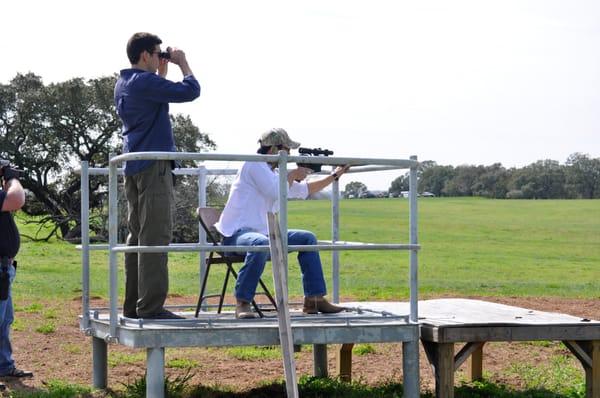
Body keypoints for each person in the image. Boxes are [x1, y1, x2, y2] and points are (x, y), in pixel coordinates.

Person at [215, 128, 350, 319]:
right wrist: (292, 175)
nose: (290, 154)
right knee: (261, 244)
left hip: (263, 233)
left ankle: (314, 299)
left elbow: (304, 190)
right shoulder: (253, 164)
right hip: (237, 235)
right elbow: (275, 191)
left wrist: (335, 176)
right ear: (273, 150)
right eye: (287, 150)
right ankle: (243, 303)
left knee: (307, 238)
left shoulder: (274, 171)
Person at [114, 32, 200, 319]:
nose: (160, 56)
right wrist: (183, 63)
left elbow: (153, 100)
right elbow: (191, 91)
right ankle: (150, 307)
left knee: (137, 237)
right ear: (144, 55)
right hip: (154, 168)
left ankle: (133, 306)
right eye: (157, 52)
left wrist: (161, 73)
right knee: (155, 237)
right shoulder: (144, 82)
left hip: (135, 167)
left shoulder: (124, 82)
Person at [0, 162, 33, 387]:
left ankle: (4, 366)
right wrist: (12, 179)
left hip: (3, 268)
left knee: (4, 321)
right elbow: (17, 199)